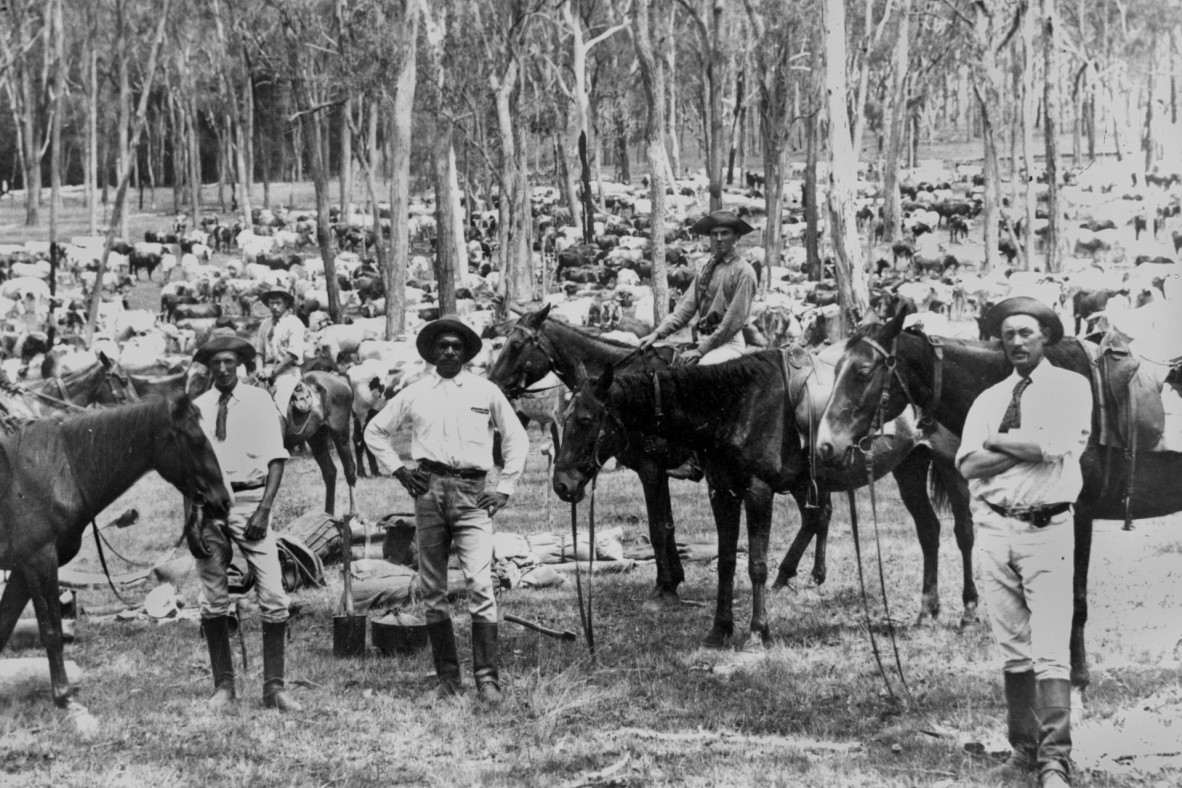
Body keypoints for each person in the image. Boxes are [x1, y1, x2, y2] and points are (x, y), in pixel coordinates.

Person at [956, 296, 1092, 788]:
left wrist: (997, 442)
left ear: (1046, 336)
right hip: (993, 530)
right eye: (1008, 334)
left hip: (1047, 530)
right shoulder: (989, 399)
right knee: (1014, 647)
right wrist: (1019, 445)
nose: (1016, 342)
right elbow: (967, 465)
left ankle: (1055, 760)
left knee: (1051, 648)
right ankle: (1023, 749)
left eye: (1026, 333)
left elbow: (1055, 445)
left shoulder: (1072, 386)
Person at [364, 315, 528, 705]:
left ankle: (487, 680)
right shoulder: (414, 393)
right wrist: (401, 472)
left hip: (473, 493)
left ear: (467, 353)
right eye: (443, 346)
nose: (450, 351)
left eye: (457, 346)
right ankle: (448, 680)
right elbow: (375, 431)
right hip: (429, 492)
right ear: (432, 352)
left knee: (480, 584)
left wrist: (504, 488)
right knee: (432, 588)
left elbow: (516, 438)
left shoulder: (485, 391)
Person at [191, 335, 303, 712]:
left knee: (273, 595)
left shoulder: (259, 401)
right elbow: (188, 468)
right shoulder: (199, 407)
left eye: (229, 362)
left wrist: (263, 511)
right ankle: (223, 688)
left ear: (239, 364)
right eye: (216, 364)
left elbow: (277, 459)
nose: (223, 369)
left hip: (252, 500)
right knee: (213, 599)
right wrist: (193, 520)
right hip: (209, 507)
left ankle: (275, 689)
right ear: (209, 367)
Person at [639, 210, 758, 367]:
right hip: (702, 340)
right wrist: (657, 333)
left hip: (727, 344)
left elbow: (732, 323)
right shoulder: (707, 268)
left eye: (725, 233)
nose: (719, 239)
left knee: (698, 373)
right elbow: (685, 309)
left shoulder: (744, 272)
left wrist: (701, 350)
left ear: (737, 237)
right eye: (714, 234)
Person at [255, 289, 308, 428]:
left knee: (277, 407)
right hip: (265, 371)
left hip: (287, 371)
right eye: (271, 303)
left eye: (278, 303)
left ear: (286, 304)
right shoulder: (264, 325)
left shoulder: (294, 323)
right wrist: (259, 370)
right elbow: (259, 352)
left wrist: (273, 372)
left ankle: (279, 441)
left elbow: (293, 354)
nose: (274, 307)